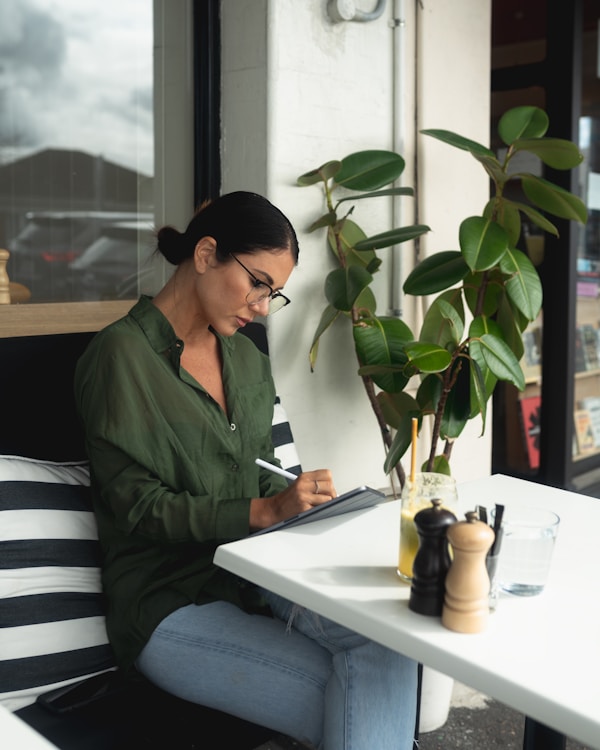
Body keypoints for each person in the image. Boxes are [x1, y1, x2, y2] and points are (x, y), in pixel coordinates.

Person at [74, 191, 418, 750]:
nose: (262, 305)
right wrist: (263, 509)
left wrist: (302, 501)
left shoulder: (246, 358)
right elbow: (137, 507)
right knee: (356, 700)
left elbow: (258, 472)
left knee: (392, 641)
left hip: (259, 577)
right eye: (259, 282)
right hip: (168, 598)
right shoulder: (121, 358)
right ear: (206, 254)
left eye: (273, 294)